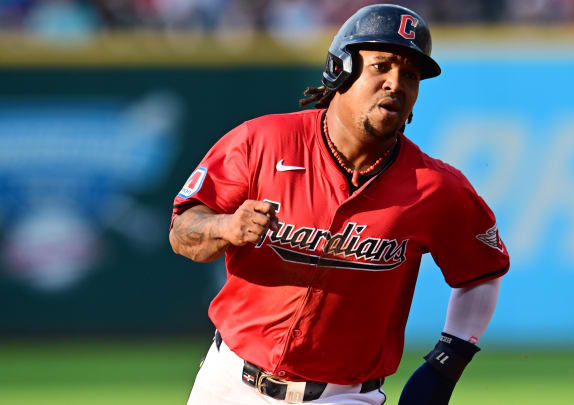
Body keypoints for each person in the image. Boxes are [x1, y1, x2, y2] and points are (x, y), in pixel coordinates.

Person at [169, 4, 509, 405]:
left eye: (410, 75)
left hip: (343, 396)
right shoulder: (260, 142)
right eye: (381, 66)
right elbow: (182, 231)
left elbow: (482, 271)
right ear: (340, 70)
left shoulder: (435, 187)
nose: (395, 84)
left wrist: (446, 363)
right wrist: (224, 227)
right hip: (229, 384)